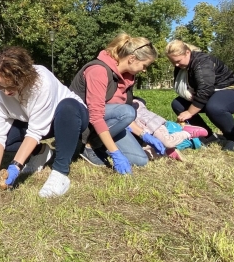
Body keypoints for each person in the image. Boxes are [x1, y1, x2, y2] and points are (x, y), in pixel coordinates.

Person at [0, 46, 88, 198]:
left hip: (68, 118)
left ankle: (60, 173)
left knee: (68, 107)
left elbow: (35, 132)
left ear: (24, 76)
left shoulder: (42, 82)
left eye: (11, 85)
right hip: (30, 121)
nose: (6, 92)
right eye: (1, 85)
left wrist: (15, 167)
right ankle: (40, 152)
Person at [69, 34, 163, 172]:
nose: (144, 70)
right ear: (132, 59)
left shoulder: (128, 78)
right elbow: (97, 116)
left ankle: (101, 145)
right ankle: (89, 146)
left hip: (102, 123)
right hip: (83, 125)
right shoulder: (98, 71)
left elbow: (120, 117)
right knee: (128, 111)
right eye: (144, 65)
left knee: (140, 160)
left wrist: (144, 135)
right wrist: (115, 153)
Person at [165, 40, 234, 152]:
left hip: (230, 90)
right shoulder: (182, 65)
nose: (176, 65)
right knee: (178, 104)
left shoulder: (202, 62)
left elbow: (206, 90)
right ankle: (208, 137)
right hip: (211, 93)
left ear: (187, 53)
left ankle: (233, 140)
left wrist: (190, 112)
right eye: (173, 62)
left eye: (178, 61)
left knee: (214, 107)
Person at [129, 97, 208, 161]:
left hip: (152, 125)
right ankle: (166, 151)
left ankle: (187, 132)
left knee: (168, 142)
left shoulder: (131, 103)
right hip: (141, 131)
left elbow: (137, 104)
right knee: (137, 155)